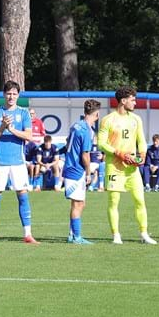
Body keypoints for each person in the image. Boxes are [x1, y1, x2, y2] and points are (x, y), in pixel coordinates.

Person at [0, 80, 39, 245]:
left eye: (14, 93)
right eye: (8, 93)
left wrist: (11, 129)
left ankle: (28, 234)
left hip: (18, 162)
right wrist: (2, 127)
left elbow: (29, 136)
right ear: (4, 95)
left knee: (23, 196)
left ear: (18, 95)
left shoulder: (24, 113)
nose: (11, 96)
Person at [98, 86, 157, 244]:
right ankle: (116, 235)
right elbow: (101, 144)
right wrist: (120, 154)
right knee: (113, 202)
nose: (135, 103)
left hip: (132, 169)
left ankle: (144, 234)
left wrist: (143, 155)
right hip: (114, 167)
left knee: (140, 200)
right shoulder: (108, 120)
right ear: (123, 101)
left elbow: (141, 140)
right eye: (132, 100)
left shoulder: (136, 119)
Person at [62, 99, 100, 245]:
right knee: (78, 204)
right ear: (96, 114)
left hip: (71, 167)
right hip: (76, 170)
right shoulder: (87, 131)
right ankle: (76, 237)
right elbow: (85, 155)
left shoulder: (75, 126)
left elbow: (67, 143)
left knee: (80, 203)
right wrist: (89, 173)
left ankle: (72, 234)